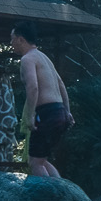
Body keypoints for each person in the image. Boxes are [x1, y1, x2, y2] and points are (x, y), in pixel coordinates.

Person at [13, 24, 72, 172]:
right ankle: (61, 192)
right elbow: (61, 85)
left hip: (47, 113)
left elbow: (33, 87)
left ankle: (51, 196)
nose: (10, 43)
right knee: (41, 160)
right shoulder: (43, 57)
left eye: (12, 39)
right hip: (59, 113)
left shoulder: (27, 59)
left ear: (21, 40)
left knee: (34, 162)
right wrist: (67, 111)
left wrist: (30, 114)